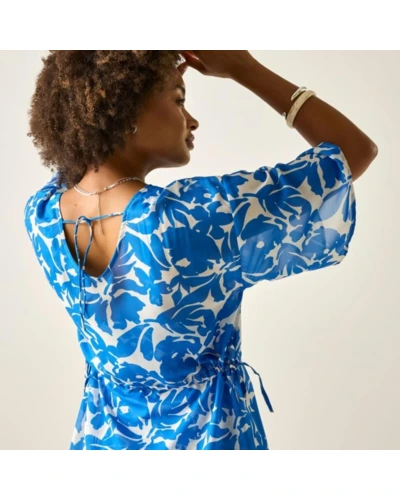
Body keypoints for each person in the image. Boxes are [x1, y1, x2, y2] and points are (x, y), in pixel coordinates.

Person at [24, 50, 377, 450]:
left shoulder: (43, 215)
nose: (191, 120)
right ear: (126, 110)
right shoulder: (197, 216)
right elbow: (353, 150)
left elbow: (82, 149)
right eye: (179, 100)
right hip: (209, 437)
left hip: (101, 441)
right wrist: (244, 68)